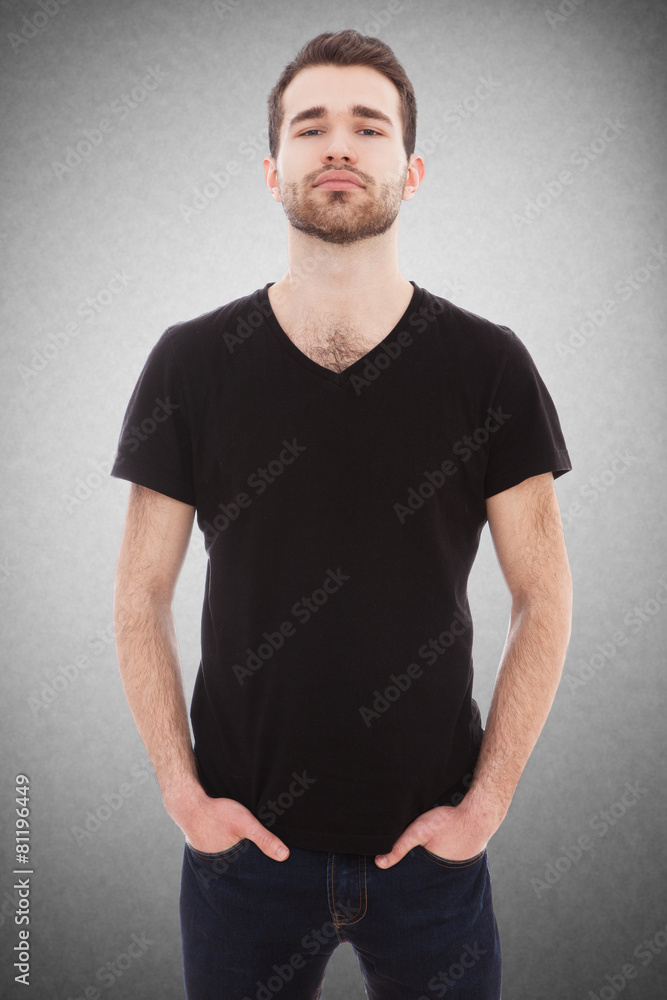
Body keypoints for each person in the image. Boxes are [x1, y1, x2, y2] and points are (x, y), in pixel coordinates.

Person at [111, 28, 573, 1000]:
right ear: (270, 169)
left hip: (431, 861)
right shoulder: (191, 363)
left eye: (368, 126)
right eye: (309, 125)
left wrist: (484, 807)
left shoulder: (487, 366)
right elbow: (139, 591)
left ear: (411, 168)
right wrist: (183, 796)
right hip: (242, 860)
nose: (338, 146)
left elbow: (543, 593)